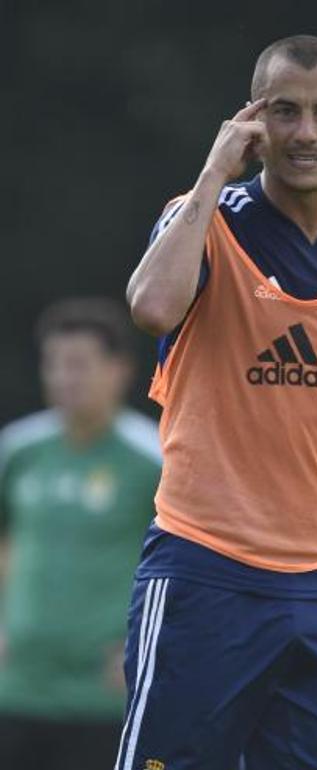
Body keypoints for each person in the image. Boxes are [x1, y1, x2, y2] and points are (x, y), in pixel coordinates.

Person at [118, 34, 317, 770]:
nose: (304, 134)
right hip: (202, 576)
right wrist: (215, 172)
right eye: (284, 112)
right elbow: (152, 308)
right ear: (252, 120)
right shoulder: (204, 219)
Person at [0, 299, 160, 770]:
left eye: (79, 365)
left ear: (119, 370)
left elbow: (184, 565)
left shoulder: (152, 461)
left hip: (103, 691)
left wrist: (146, 647)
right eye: (54, 364)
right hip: (19, 685)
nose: (65, 378)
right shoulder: (19, 450)